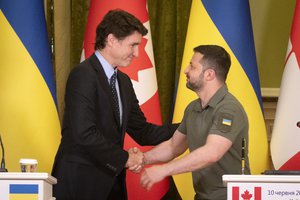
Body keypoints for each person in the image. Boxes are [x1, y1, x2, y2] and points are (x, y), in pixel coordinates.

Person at [52, 9, 177, 200]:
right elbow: (83, 133)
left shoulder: (123, 82)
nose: (136, 53)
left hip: (112, 185)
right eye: (133, 45)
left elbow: (143, 131)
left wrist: (188, 126)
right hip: (80, 184)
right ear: (111, 40)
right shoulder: (83, 75)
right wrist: (126, 158)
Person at [140, 45, 250, 200]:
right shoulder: (193, 108)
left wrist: (164, 170)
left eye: (192, 66)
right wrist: (142, 159)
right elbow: (173, 147)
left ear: (209, 74)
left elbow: (212, 153)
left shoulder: (229, 109)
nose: (185, 70)